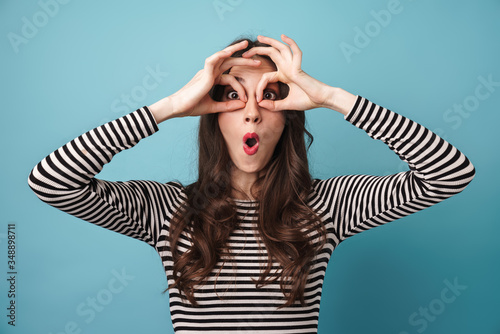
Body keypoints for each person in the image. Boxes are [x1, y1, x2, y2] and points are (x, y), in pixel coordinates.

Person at [28, 34, 475, 333]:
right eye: (231, 94)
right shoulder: (166, 209)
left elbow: (450, 172)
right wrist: (168, 107)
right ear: (210, 113)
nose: (251, 111)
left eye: (272, 94)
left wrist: (330, 97)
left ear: (291, 114)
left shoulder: (328, 206)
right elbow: (52, 182)